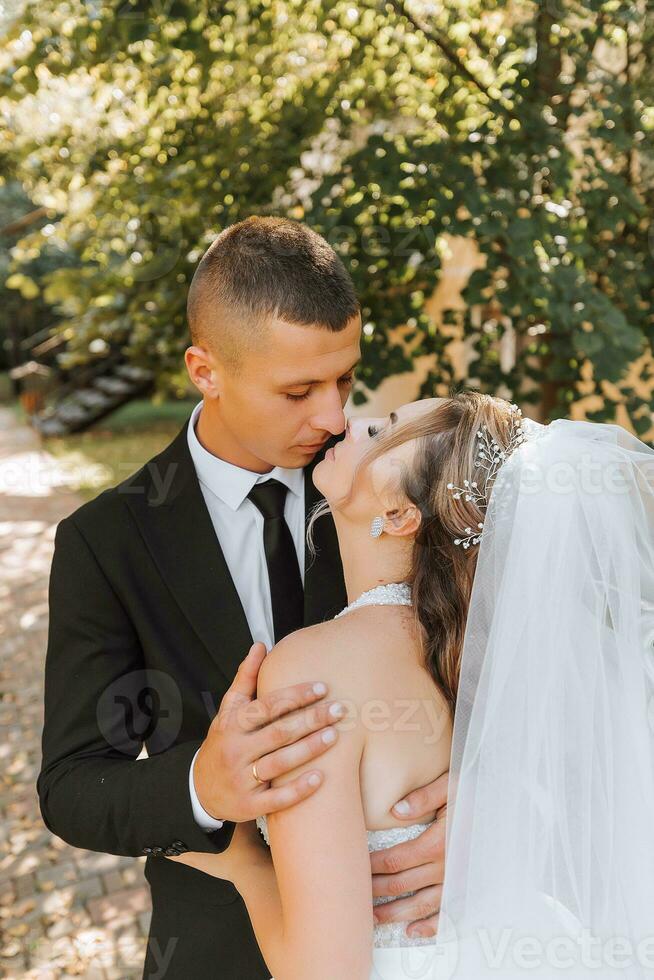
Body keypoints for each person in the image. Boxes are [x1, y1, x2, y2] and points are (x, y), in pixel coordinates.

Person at [37, 216, 448, 980]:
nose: (332, 418)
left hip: (414, 928)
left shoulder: (383, 492)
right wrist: (203, 785)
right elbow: (71, 786)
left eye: (344, 380)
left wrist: (479, 805)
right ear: (206, 370)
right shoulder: (106, 542)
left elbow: (501, 679)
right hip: (215, 949)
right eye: (298, 390)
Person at [170, 392, 654, 980]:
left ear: (400, 515)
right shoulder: (484, 650)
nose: (352, 421)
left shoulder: (311, 669)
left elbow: (325, 972)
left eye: (382, 432)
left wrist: (243, 861)